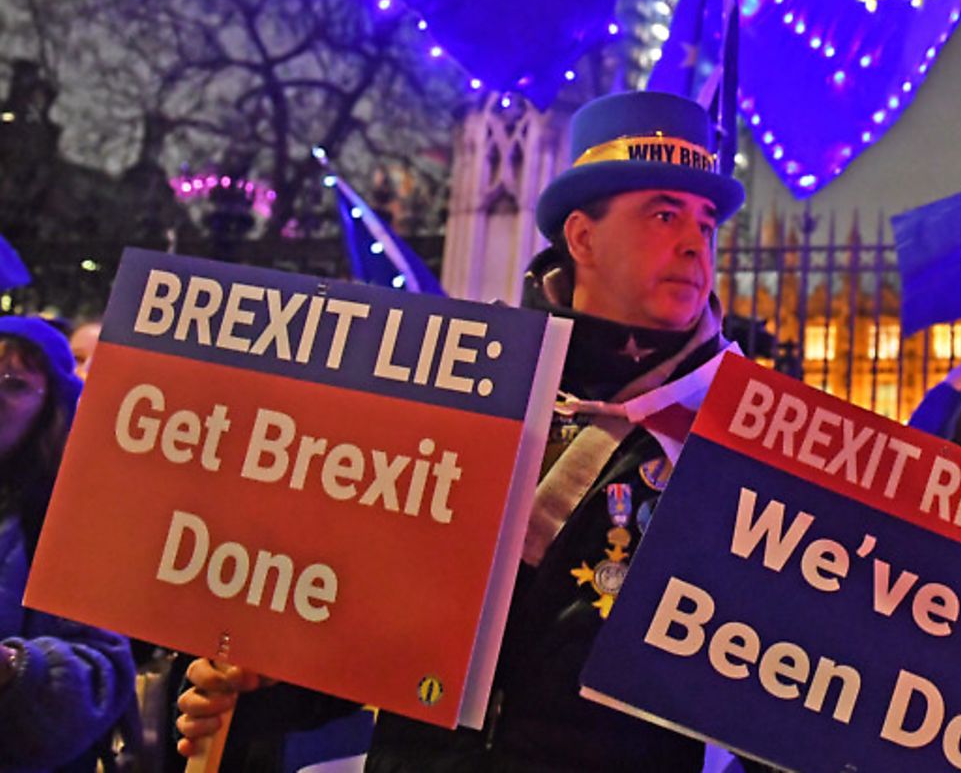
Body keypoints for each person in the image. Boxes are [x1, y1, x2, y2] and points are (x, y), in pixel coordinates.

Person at [178, 92, 756, 771]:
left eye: (706, 221)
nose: (695, 242)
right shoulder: (468, 390)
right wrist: (268, 681)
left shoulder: (742, 438)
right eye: (664, 214)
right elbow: (368, 624)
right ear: (582, 238)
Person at [0, 315, 137, 771]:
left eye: (14, 384)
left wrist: (14, 668)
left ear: (53, 405)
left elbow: (101, 675)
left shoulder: (80, 513)